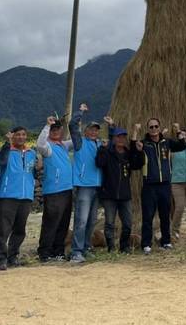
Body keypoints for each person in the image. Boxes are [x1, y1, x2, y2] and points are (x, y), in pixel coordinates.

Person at [136, 118, 186, 255]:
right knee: (148, 216)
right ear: (148, 129)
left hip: (164, 184)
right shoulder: (144, 143)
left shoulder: (167, 142)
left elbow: (182, 145)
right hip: (149, 185)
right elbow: (136, 161)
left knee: (165, 215)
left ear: (159, 127)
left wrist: (178, 132)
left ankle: (166, 241)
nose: (153, 129)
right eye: (151, 127)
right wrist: (138, 150)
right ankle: (146, 244)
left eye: (156, 126)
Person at [0, 125, 40, 270]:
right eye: (17, 135)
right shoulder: (7, 151)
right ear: (12, 136)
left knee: (20, 229)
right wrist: (7, 144)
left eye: (23, 134)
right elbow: (0, 162)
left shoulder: (31, 153)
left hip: (26, 195)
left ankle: (13, 256)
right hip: (8, 195)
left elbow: (33, 172)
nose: (21, 137)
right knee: (4, 228)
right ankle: (0, 259)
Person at [95, 126, 145, 252]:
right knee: (110, 223)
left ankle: (124, 246)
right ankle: (111, 247)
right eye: (118, 137)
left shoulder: (128, 154)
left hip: (125, 195)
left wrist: (139, 152)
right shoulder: (108, 152)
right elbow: (99, 163)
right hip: (109, 194)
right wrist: (103, 149)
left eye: (123, 137)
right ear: (113, 138)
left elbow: (137, 165)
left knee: (127, 223)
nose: (121, 139)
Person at [36, 113, 75, 262]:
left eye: (58, 129)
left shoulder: (63, 145)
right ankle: (45, 252)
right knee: (51, 223)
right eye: (53, 130)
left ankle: (58, 251)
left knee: (63, 223)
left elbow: (77, 141)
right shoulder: (48, 147)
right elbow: (40, 144)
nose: (55, 131)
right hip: (54, 191)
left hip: (67, 190)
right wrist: (47, 125)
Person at [70, 103, 105, 263]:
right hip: (84, 186)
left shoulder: (100, 145)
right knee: (81, 220)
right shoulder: (80, 142)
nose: (94, 131)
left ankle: (85, 248)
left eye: (96, 129)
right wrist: (80, 112)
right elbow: (72, 126)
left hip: (97, 187)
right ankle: (76, 252)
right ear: (85, 131)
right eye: (91, 129)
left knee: (91, 221)